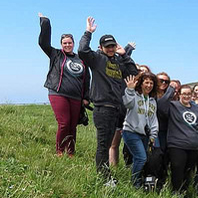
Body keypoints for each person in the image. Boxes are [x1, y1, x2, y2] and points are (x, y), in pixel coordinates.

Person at [78, 17, 138, 185]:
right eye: (107, 46)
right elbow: (82, 51)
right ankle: (104, 178)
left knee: (110, 143)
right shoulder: (97, 60)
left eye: (113, 46)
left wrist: (124, 54)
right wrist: (88, 32)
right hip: (102, 108)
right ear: (101, 48)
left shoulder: (118, 62)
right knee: (103, 145)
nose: (111, 49)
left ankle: (106, 174)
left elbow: (133, 73)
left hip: (116, 109)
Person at [38, 13, 90, 157]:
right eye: (64, 43)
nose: (67, 45)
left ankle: (71, 152)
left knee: (73, 125)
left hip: (76, 97)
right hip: (58, 93)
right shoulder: (56, 54)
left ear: (73, 43)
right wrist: (45, 23)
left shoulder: (81, 59)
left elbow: (87, 79)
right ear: (61, 45)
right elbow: (43, 43)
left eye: (69, 42)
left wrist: (86, 97)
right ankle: (59, 151)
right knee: (64, 123)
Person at [158, 84, 198, 193]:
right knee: (177, 168)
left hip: (194, 146)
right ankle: (176, 192)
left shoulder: (197, 109)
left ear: (192, 95)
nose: (186, 96)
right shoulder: (173, 106)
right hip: (177, 145)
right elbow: (161, 105)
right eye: (184, 94)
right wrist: (171, 90)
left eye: (189, 94)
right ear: (179, 94)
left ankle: (184, 191)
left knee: (188, 170)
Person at [122, 73, 159, 188]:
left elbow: (153, 120)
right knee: (141, 157)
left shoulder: (152, 101)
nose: (149, 85)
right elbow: (127, 104)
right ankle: (135, 184)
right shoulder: (134, 95)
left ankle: (138, 179)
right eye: (146, 82)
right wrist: (130, 89)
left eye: (151, 83)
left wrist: (153, 135)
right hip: (131, 131)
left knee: (140, 158)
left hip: (145, 135)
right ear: (141, 83)